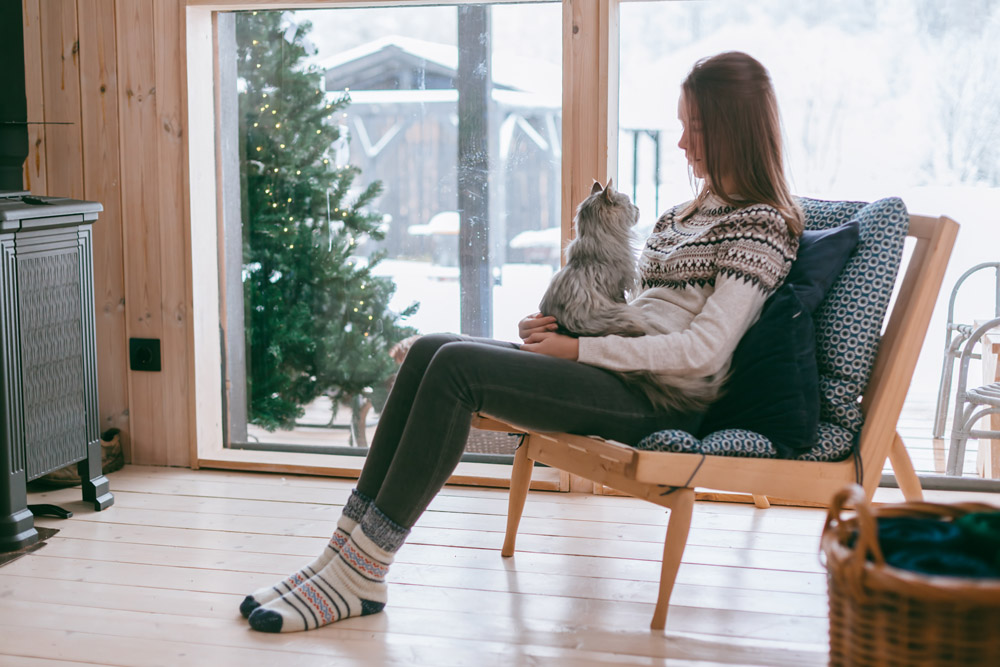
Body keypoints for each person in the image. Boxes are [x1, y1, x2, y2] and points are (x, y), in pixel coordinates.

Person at [240, 50, 803, 633]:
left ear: (736, 129)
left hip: (659, 397)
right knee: (434, 347)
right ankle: (339, 556)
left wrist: (579, 351)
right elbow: (641, 316)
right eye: (683, 124)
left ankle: (364, 569)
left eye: (699, 128)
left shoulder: (759, 227)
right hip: (616, 368)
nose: (683, 142)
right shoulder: (681, 216)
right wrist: (567, 330)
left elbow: (701, 351)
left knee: (458, 369)